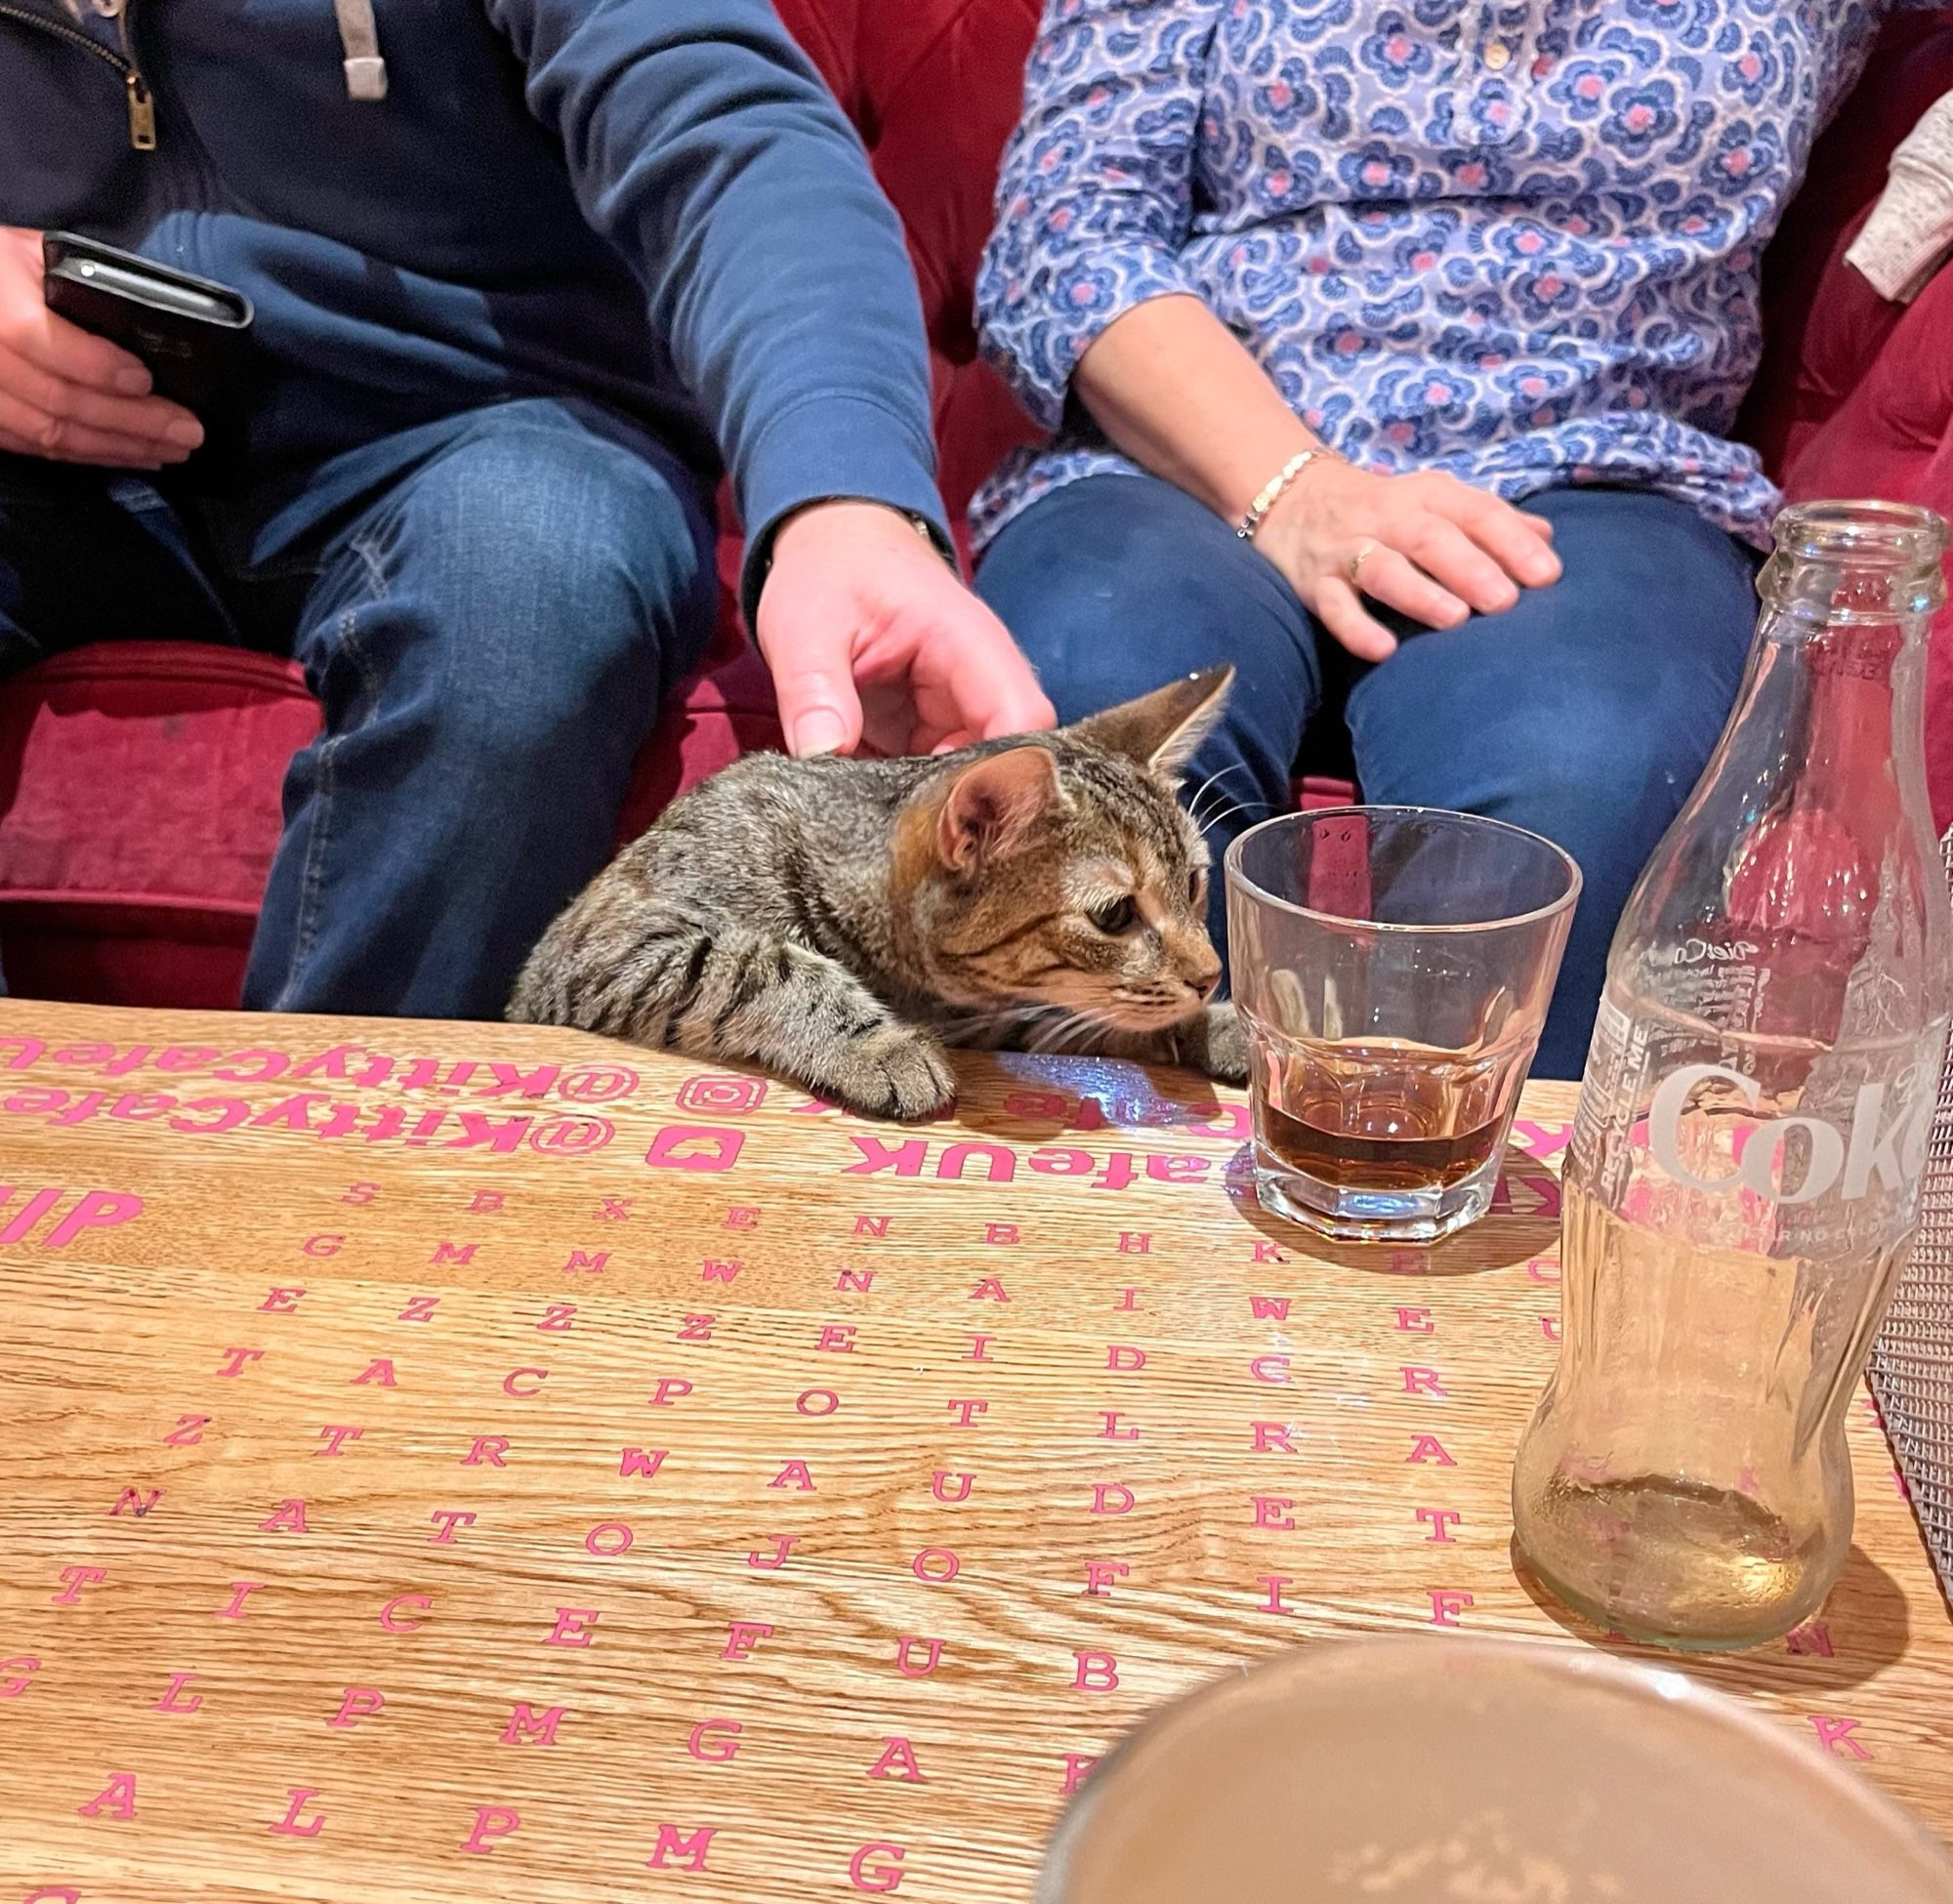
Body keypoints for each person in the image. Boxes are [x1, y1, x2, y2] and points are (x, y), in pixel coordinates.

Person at [0, 0, 1051, 1018]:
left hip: (489, 431)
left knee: (528, 587)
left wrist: (845, 494)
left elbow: (726, 128)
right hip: (61, 466)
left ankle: (352, 1170)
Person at [971, 0, 1934, 1077]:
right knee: (1084, 706)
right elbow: (1065, 239)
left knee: (1580, 772)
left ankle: (1441, 1215)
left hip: (1588, 467)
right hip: (1185, 454)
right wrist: (1291, 490)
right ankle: (1094, 1226)